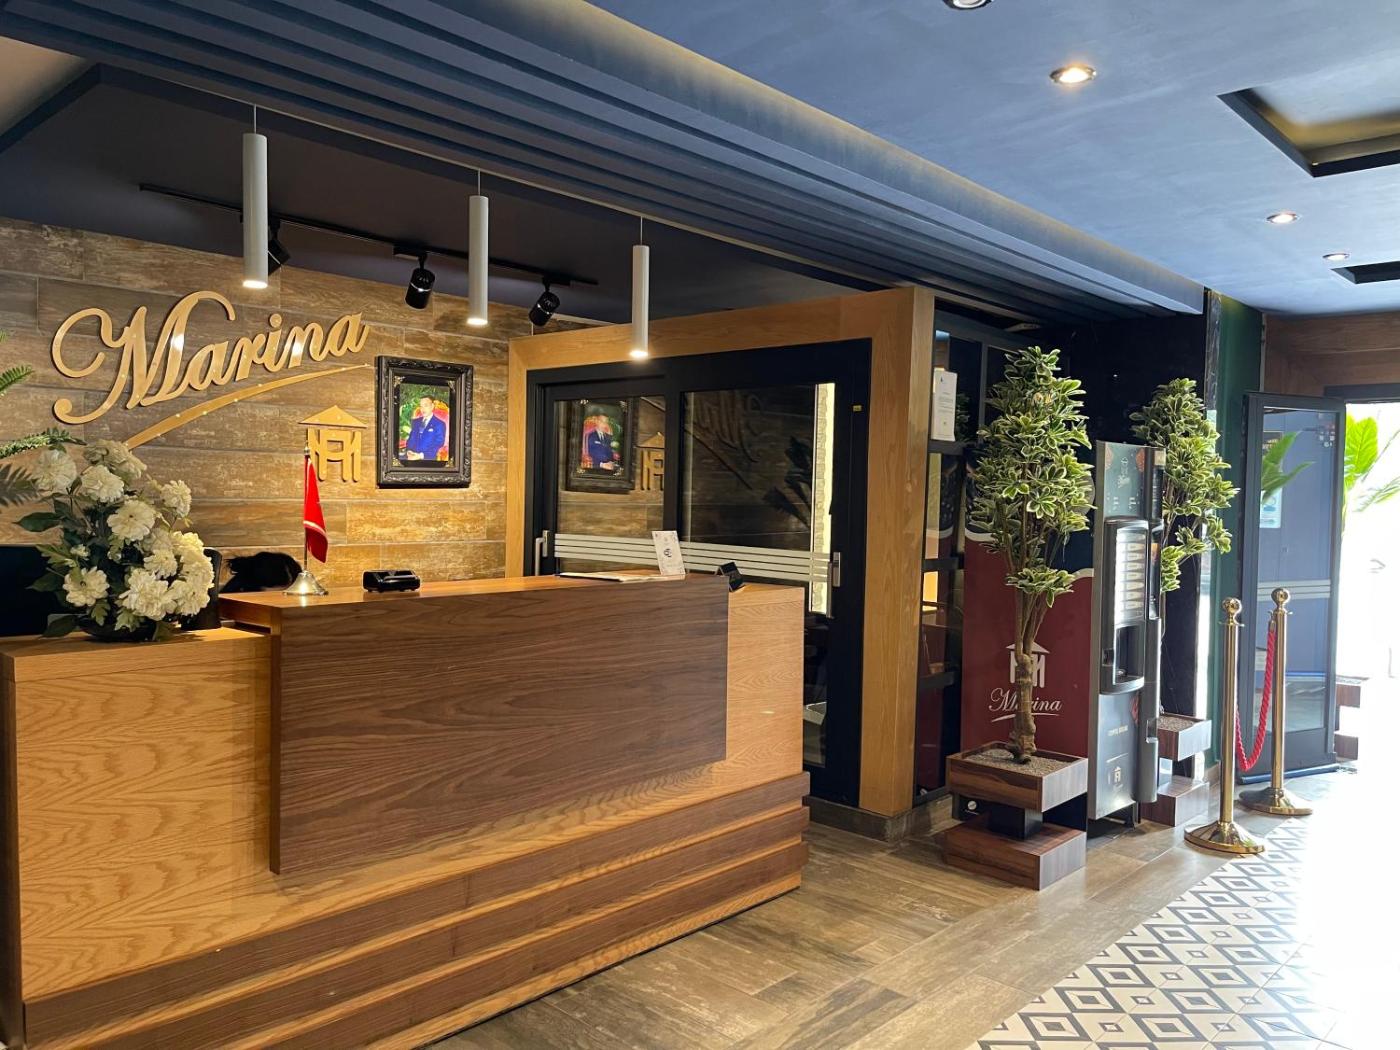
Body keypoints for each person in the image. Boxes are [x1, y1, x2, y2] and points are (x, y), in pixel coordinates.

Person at [403, 395, 447, 461]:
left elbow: (438, 444)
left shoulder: (439, 424)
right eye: (421, 406)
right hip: (410, 456)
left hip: (427, 459)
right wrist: (409, 451)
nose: (423, 409)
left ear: (432, 406)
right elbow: (410, 439)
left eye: (425, 405)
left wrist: (420, 456)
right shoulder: (415, 422)